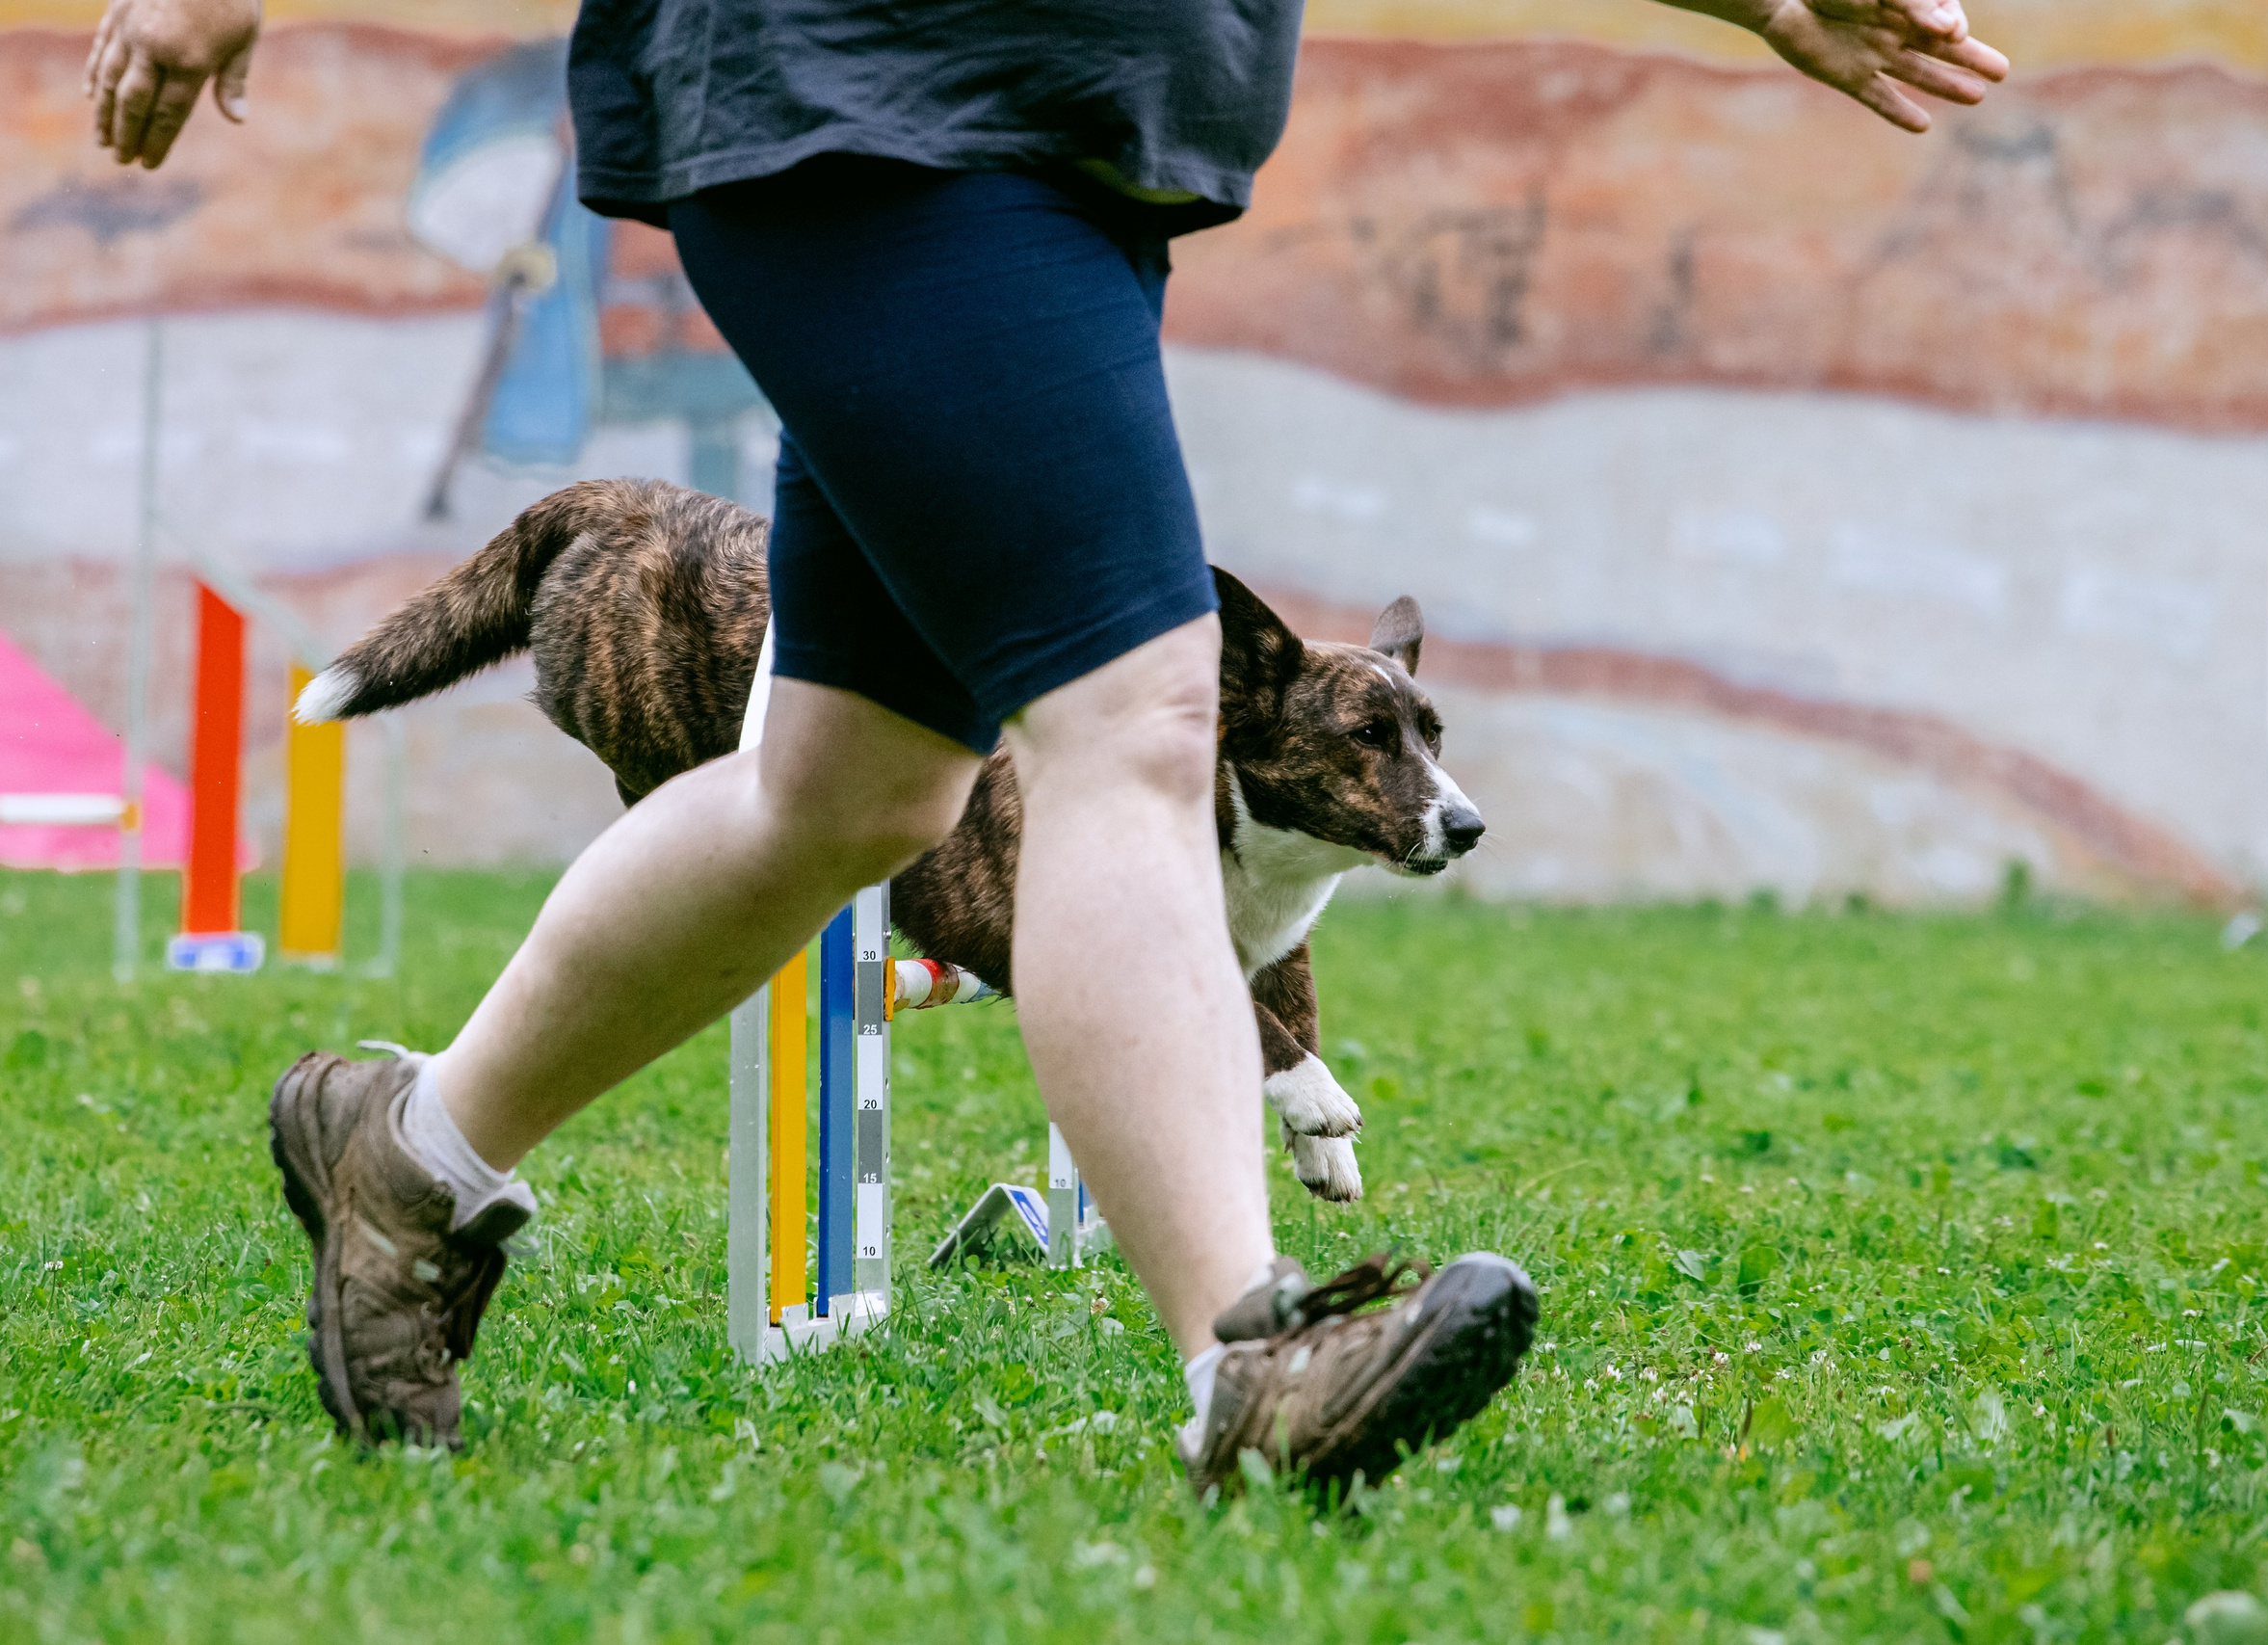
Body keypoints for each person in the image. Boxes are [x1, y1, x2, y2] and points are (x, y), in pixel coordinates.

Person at [85, 0, 2006, 1494]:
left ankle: (407, 1152)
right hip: (875, 102)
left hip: (1048, 139)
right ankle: (1252, 1358)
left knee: (847, 789)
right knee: (1138, 715)